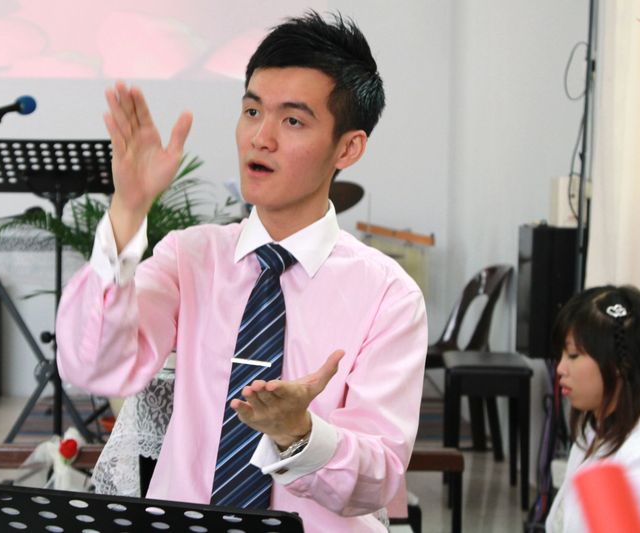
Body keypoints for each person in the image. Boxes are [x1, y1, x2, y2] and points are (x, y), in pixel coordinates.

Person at [55, 11, 428, 532]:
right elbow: (92, 367)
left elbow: (379, 480)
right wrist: (127, 210)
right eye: (252, 111)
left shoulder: (388, 295)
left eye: (292, 121)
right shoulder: (190, 257)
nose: (261, 137)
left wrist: (298, 433)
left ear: (348, 147)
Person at [545, 285, 640, 533]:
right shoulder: (593, 433)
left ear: (620, 364)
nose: (560, 369)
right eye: (561, 355)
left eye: (573, 355)